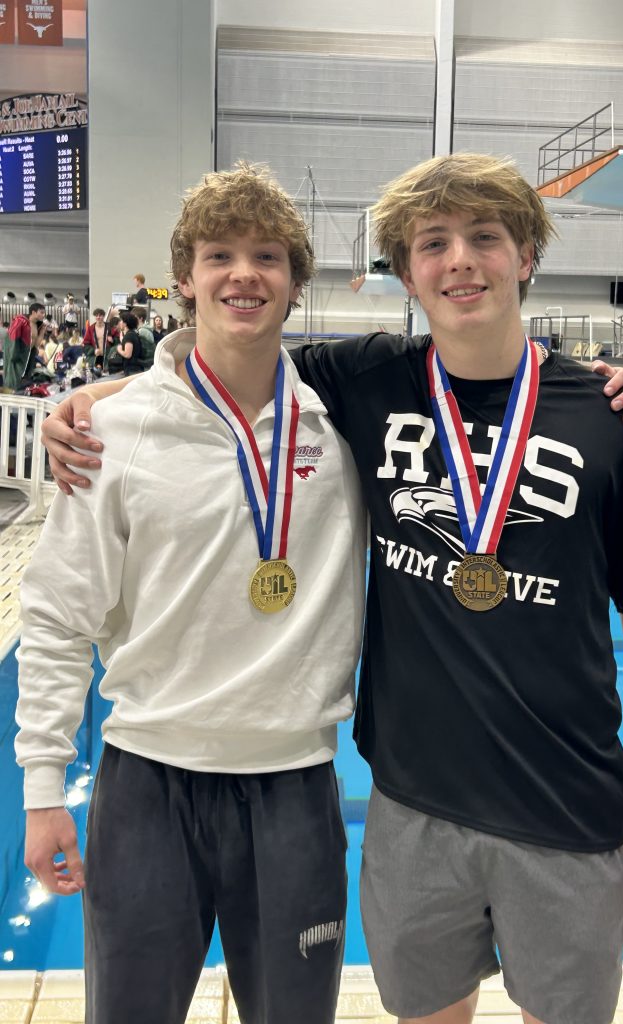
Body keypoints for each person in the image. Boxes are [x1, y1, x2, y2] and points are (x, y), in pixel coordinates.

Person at [38, 157, 623, 1024]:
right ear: (406, 271)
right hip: (393, 804)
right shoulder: (371, 382)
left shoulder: (605, 413)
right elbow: (214, 372)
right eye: (433, 244)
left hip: (544, 798)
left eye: (485, 238)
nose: (460, 260)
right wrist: (92, 403)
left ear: (527, 255)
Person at [16, 164, 367, 1024]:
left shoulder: (345, 420)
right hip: (147, 785)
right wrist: (42, 788)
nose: (244, 273)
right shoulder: (116, 430)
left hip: (293, 784)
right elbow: (59, 613)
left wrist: (606, 391)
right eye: (220, 255)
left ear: (294, 282)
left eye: (268, 256)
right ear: (186, 278)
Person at [4, 302, 45, 391]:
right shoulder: (20, 321)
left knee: (23, 386)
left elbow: (35, 345)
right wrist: (14, 356)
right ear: (33, 312)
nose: (43, 315)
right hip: (17, 359)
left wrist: (42, 333)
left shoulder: (38, 325)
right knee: (13, 385)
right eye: (41, 312)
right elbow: (12, 340)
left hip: (28, 359)